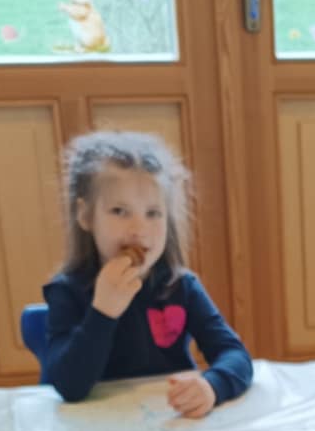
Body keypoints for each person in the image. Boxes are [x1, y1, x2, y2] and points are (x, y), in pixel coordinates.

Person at [42, 130, 253, 414]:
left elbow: (235, 355)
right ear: (86, 215)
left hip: (171, 422)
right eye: (119, 211)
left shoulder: (181, 286)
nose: (139, 229)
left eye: (153, 213)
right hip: (101, 428)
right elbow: (68, 386)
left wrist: (212, 386)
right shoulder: (67, 292)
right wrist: (103, 312)